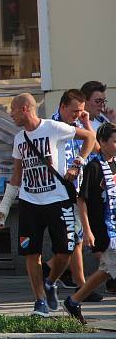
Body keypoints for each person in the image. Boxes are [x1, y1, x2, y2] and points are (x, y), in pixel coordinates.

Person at [7, 93, 95, 316]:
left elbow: (89, 139)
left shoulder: (54, 127)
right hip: (29, 201)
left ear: (25, 109)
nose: (11, 114)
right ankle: (39, 301)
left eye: (13, 110)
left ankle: (50, 281)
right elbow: (17, 175)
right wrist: (4, 206)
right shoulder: (19, 138)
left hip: (57, 199)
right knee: (31, 253)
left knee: (65, 251)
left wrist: (77, 163)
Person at [47, 90, 101, 299]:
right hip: (59, 191)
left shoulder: (78, 126)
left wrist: (87, 124)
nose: (77, 114)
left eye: (81, 110)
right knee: (74, 239)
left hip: (77, 191)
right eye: (74, 111)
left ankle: (50, 272)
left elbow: (96, 148)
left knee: (73, 239)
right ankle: (81, 286)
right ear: (62, 107)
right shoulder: (52, 126)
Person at [64, 123, 116, 324]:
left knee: (107, 269)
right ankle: (74, 300)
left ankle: (74, 301)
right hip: (103, 228)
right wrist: (87, 230)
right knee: (108, 268)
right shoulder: (94, 167)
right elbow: (81, 200)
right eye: (114, 141)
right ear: (102, 142)